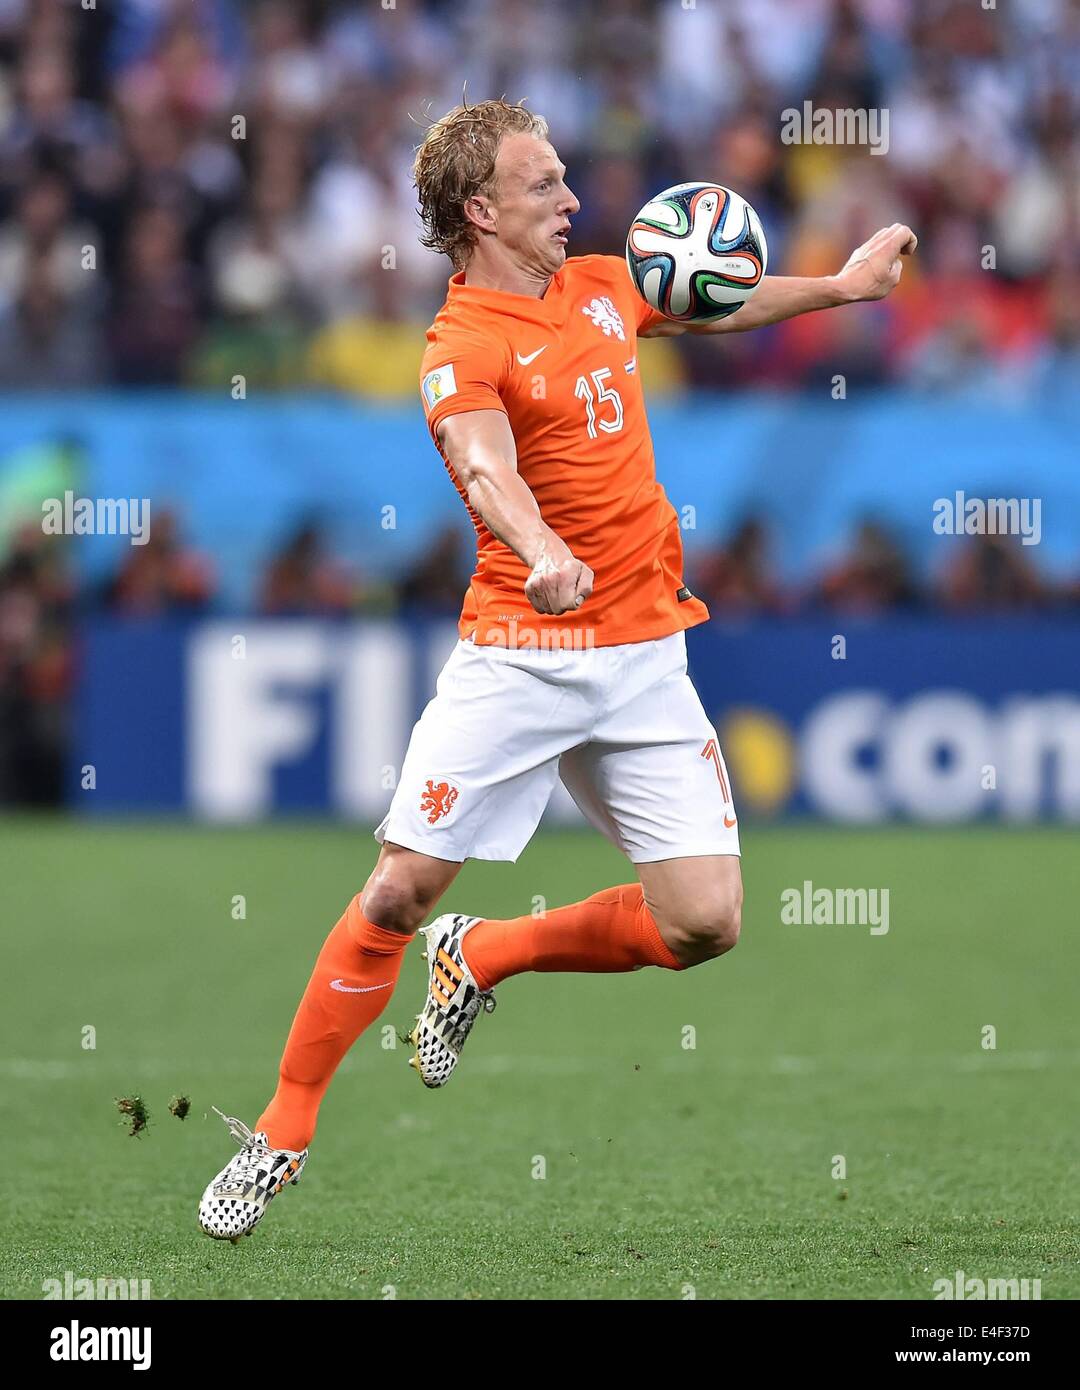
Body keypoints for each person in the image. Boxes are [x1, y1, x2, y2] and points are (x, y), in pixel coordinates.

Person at [197, 99, 916, 1241]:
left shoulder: (596, 282)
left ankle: (483, 955)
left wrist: (837, 290)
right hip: (521, 656)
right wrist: (540, 550)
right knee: (393, 889)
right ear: (480, 210)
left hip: (641, 656)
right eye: (545, 186)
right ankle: (284, 1130)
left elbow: (706, 305)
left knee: (705, 924)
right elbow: (484, 468)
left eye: (566, 179)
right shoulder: (460, 346)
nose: (573, 200)